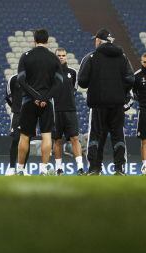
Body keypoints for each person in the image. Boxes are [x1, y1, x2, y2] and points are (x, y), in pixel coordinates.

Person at [78, 28, 135, 176]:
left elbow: (82, 81)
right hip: (117, 104)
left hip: (98, 103)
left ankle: (94, 168)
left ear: (98, 40)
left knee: (96, 135)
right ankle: (120, 169)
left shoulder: (91, 57)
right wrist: (119, 91)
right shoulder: (122, 57)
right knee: (118, 136)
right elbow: (130, 79)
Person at [14, 28, 64, 176]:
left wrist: (35, 96)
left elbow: (21, 80)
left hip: (29, 101)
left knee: (24, 136)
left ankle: (20, 170)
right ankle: (43, 170)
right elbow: (59, 82)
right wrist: (45, 97)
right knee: (46, 135)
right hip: (47, 102)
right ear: (47, 41)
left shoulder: (26, 56)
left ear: (34, 40)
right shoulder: (53, 58)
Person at [52, 47, 85, 175]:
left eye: (63, 55)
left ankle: (80, 167)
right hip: (55, 111)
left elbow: (74, 90)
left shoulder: (73, 72)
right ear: (55, 57)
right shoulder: (50, 73)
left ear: (66, 56)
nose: (61, 57)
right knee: (58, 140)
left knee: (75, 138)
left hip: (70, 110)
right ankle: (59, 168)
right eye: (59, 55)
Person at [4, 73, 28, 175]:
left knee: (27, 140)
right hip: (17, 114)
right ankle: (12, 168)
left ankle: (22, 168)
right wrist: (16, 107)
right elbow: (8, 96)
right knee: (15, 139)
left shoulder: (34, 78)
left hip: (30, 114)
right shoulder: (13, 79)